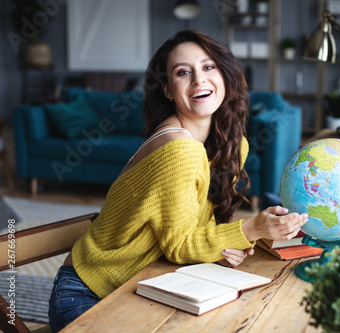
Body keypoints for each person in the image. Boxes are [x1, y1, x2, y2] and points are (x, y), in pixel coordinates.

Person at [48, 29, 308, 332]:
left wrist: (231, 244)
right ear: (168, 90)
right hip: (89, 294)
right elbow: (179, 246)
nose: (198, 80)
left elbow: (191, 229)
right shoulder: (180, 149)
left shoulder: (231, 143)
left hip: (143, 285)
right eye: (183, 72)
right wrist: (251, 228)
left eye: (208, 67)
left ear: (225, 75)